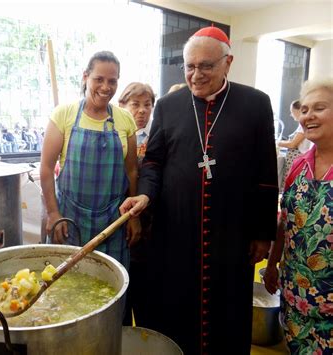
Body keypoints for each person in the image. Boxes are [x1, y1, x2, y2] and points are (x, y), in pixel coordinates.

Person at [119, 26, 279, 354]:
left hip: (231, 232)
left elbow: (266, 172)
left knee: (228, 306)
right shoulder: (168, 105)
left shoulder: (256, 103)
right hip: (177, 229)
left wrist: (263, 233)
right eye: (189, 66)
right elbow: (152, 163)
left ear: (227, 62)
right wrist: (146, 194)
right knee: (177, 303)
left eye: (206, 66)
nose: (196, 74)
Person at [40, 51, 140, 269]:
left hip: (113, 223)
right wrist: (53, 212)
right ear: (85, 77)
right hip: (69, 220)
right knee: (64, 286)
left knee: (110, 287)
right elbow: (46, 169)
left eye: (112, 81)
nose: (106, 87)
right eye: (99, 79)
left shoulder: (125, 119)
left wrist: (133, 217)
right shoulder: (64, 114)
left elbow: (131, 171)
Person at [264, 78, 333, 354]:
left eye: (320, 107)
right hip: (296, 299)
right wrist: (271, 265)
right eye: (304, 109)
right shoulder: (299, 166)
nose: (308, 116)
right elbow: (285, 221)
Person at [118, 82, 155, 326]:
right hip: (120, 216)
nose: (142, 111)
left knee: (145, 284)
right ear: (122, 106)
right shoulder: (116, 136)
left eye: (147, 105)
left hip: (150, 220)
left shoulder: (157, 137)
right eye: (135, 105)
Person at [278, 99, 312, 192]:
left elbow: (293, 144)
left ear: (299, 110)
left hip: (298, 158)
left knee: (292, 186)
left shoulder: (303, 124)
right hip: (295, 159)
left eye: (292, 111)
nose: (291, 114)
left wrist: (278, 143)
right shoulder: (302, 124)